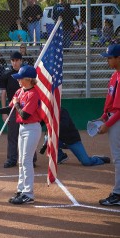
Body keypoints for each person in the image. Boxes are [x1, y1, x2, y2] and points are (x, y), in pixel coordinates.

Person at [0, 65, 42, 204]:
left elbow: (24, 114)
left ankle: (28, 193)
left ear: (29, 79)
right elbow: (10, 108)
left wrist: (17, 103)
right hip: (23, 128)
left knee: (26, 160)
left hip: (32, 128)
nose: (18, 80)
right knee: (21, 161)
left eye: (21, 78)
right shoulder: (20, 91)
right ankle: (21, 190)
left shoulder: (34, 94)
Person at [40, 107, 111, 166]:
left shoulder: (62, 111)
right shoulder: (46, 113)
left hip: (72, 140)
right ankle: (61, 156)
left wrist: (51, 126)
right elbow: (39, 123)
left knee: (86, 162)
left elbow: (65, 125)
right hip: (60, 140)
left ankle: (98, 158)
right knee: (48, 139)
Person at [96, 44, 120, 206]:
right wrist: (105, 115)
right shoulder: (114, 76)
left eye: (110, 58)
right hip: (112, 118)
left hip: (117, 120)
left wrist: (108, 123)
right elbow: (111, 101)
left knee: (118, 158)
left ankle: (118, 193)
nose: (108, 61)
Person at [0, 52, 23, 168]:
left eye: (17, 60)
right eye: (13, 60)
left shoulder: (26, 73)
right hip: (12, 108)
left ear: (21, 61)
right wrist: (4, 112)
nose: (15, 62)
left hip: (26, 108)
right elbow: (3, 94)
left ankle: (31, 158)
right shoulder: (6, 75)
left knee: (26, 133)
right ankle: (12, 159)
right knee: (12, 135)